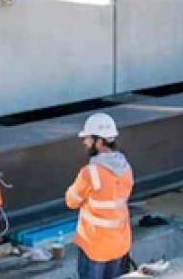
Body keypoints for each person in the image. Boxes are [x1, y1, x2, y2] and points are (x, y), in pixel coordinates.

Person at [66, 113, 133, 279]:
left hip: (94, 245)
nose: (85, 142)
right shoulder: (126, 168)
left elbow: (71, 201)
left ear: (99, 141)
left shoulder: (90, 172)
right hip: (119, 243)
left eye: (88, 139)